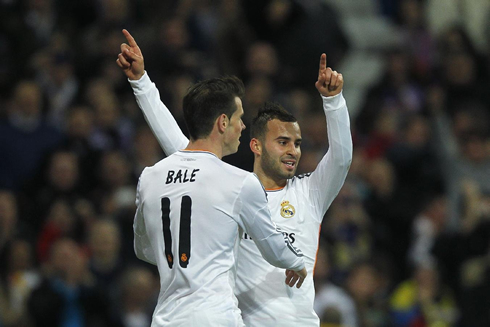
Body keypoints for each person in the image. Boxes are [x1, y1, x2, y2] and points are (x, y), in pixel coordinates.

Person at [117, 28, 351, 326]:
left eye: (297, 143)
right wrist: (141, 83)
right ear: (255, 145)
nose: (293, 150)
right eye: (283, 142)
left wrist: (333, 102)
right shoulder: (228, 185)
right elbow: (183, 146)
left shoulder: (308, 193)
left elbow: (342, 159)